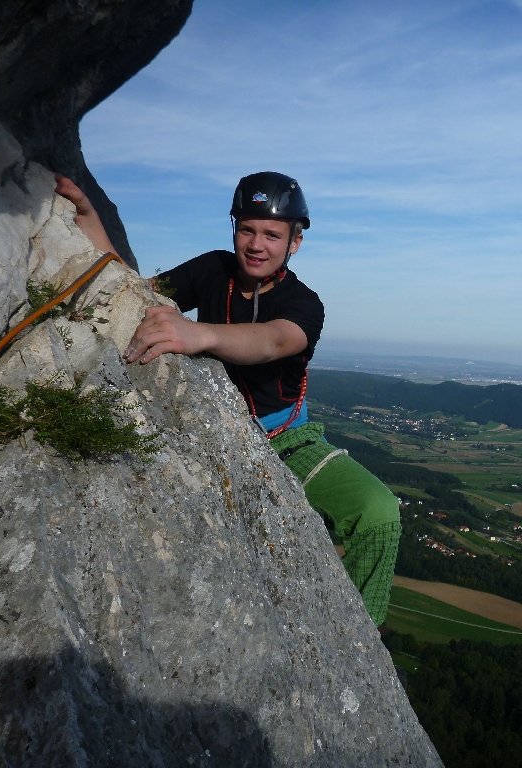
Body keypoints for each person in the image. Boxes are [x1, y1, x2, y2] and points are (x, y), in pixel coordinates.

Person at [54, 173, 402, 625]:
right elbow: (132, 291)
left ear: (294, 242)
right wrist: (87, 216)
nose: (256, 244)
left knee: (378, 512)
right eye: (247, 230)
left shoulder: (304, 303)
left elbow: (274, 341)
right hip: (208, 429)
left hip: (285, 440)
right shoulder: (213, 270)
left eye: (272, 235)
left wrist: (199, 333)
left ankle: (358, 637)